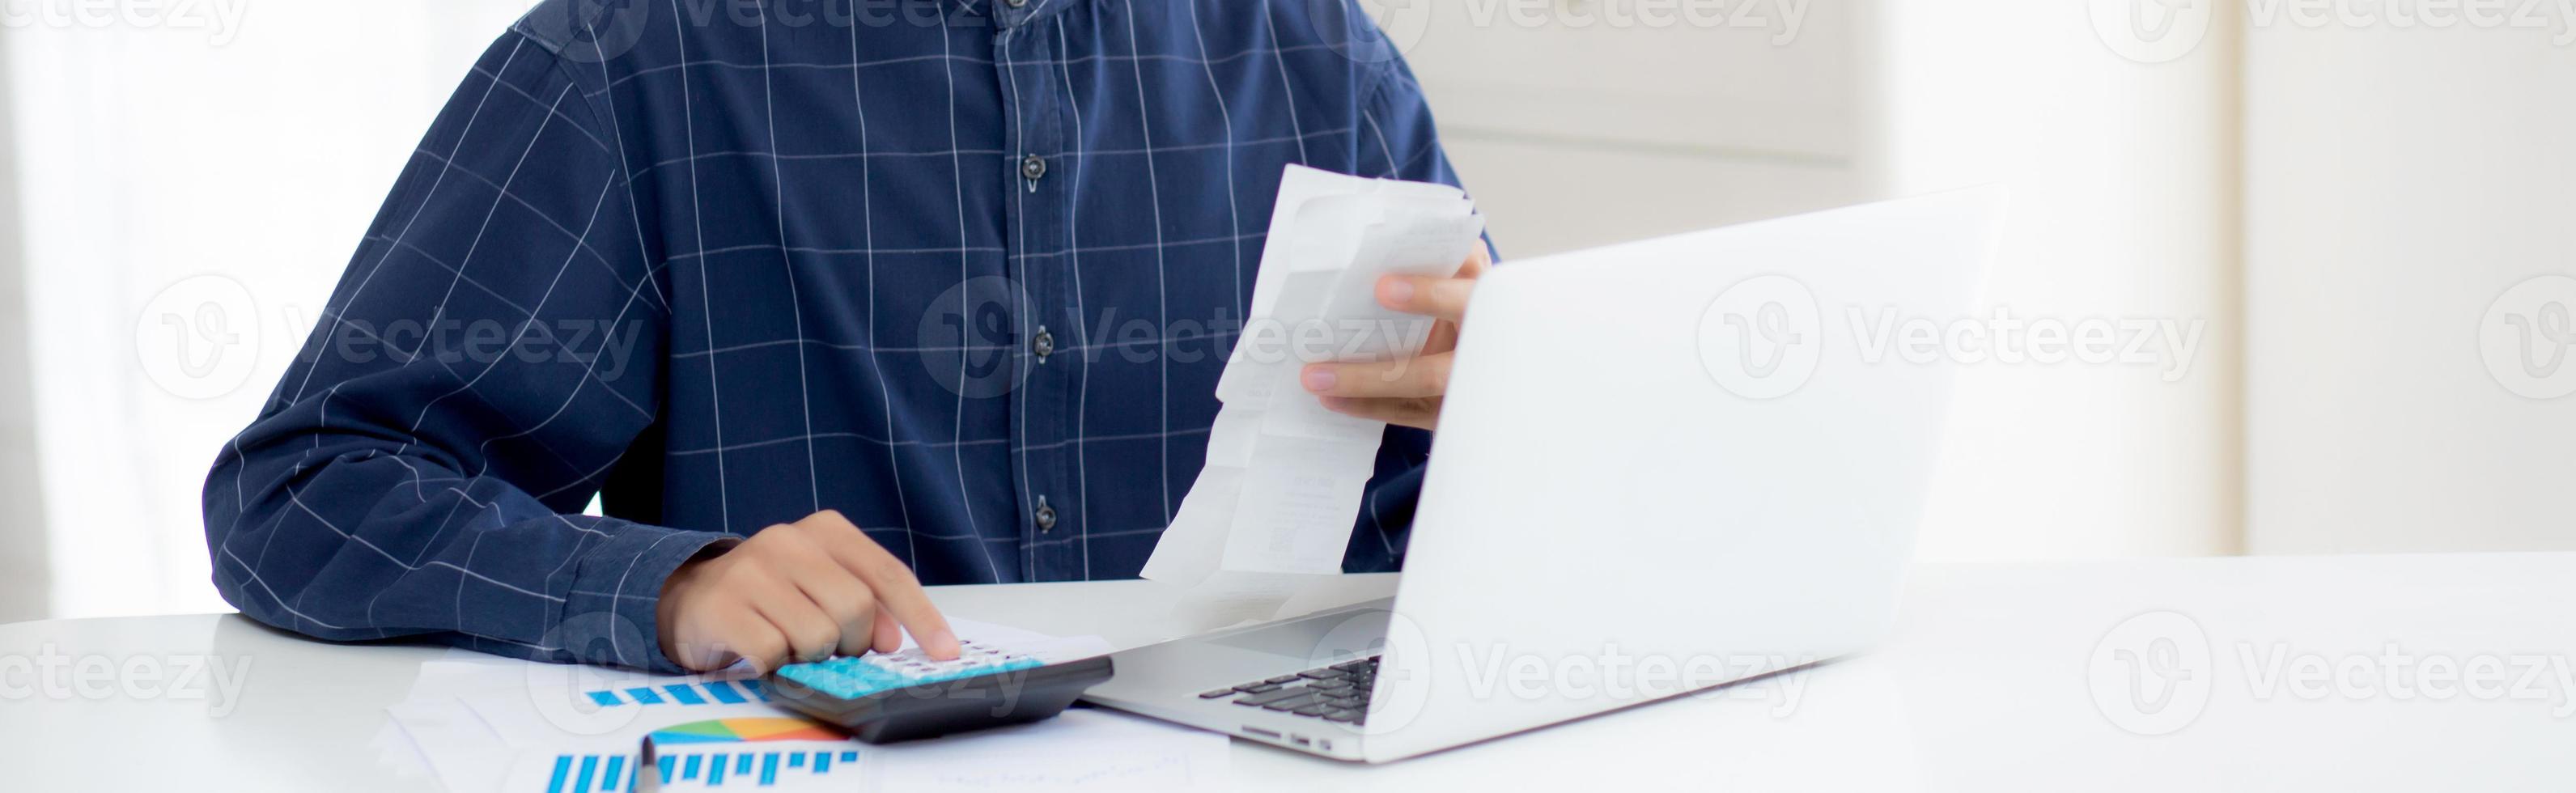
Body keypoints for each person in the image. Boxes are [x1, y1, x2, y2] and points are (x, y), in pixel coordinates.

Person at [202, 0, 1488, 674]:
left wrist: (1516, 412)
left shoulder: (1316, 50)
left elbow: (1438, 508)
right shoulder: (635, 58)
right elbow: (306, 493)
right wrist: (666, 589)